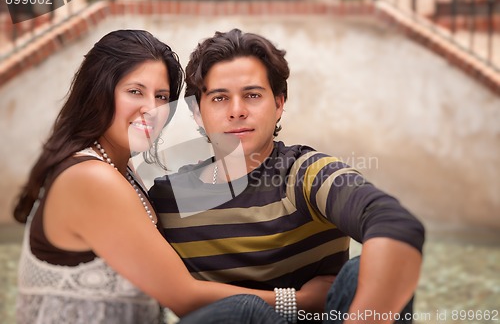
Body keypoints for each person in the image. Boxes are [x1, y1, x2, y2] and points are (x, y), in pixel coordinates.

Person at [12, 29, 334, 324]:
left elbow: (230, 190)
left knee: (354, 277)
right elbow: (185, 297)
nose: (150, 109)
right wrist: (302, 301)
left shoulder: (123, 171)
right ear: (99, 92)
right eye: (135, 91)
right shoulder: (91, 177)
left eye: (162, 96)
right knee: (244, 311)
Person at [149, 28, 426, 323]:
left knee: (363, 272)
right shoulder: (169, 199)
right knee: (245, 311)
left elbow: (396, 224)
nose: (237, 111)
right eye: (219, 98)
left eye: (252, 95)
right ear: (197, 113)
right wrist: (298, 302)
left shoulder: (303, 173)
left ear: (279, 104)